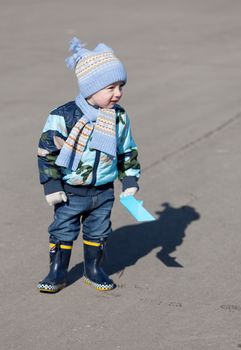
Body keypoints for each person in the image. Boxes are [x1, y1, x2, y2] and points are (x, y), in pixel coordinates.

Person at [37, 37, 141, 293]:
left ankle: (93, 269)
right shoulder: (63, 116)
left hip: (103, 190)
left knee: (99, 230)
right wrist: (51, 185)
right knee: (63, 229)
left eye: (120, 86)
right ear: (90, 88)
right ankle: (57, 272)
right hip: (71, 190)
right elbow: (46, 152)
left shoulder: (119, 117)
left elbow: (126, 150)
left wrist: (129, 180)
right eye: (111, 87)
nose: (118, 93)